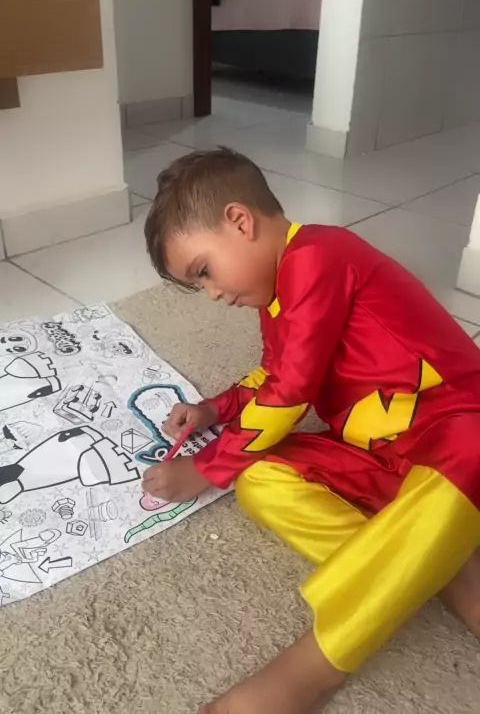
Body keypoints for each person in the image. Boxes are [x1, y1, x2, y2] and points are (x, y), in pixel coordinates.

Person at [142, 148, 480, 714]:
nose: (213, 293)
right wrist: (213, 410)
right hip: (383, 462)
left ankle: (311, 671)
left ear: (240, 221)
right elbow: (273, 373)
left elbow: (290, 391)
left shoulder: (321, 254)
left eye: (204, 271)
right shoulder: (275, 295)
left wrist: (204, 467)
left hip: (452, 430)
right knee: (259, 478)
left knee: (473, 443)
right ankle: (435, 563)